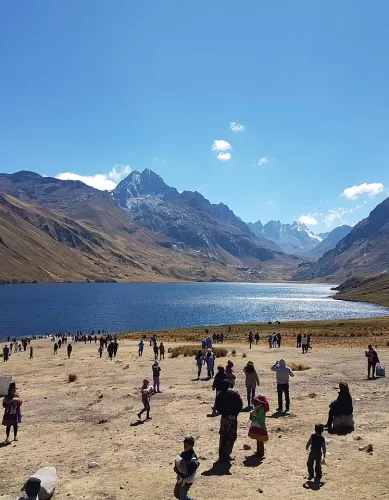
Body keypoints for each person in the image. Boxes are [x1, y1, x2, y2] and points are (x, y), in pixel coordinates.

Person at [215, 380, 243, 462]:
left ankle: (221, 455)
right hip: (232, 417)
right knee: (231, 435)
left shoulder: (219, 394)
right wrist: (234, 413)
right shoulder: (234, 393)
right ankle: (226, 454)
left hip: (224, 417)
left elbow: (217, 406)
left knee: (223, 435)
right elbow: (240, 404)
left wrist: (223, 413)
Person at [174, 436, 199, 500]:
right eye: (184, 444)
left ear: (191, 446)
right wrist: (176, 468)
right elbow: (178, 464)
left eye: (187, 445)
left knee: (182, 497)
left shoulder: (193, 459)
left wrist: (178, 472)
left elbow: (188, 474)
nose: (185, 446)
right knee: (176, 494)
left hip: (187, 481)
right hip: (180, 479)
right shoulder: (183, 453)